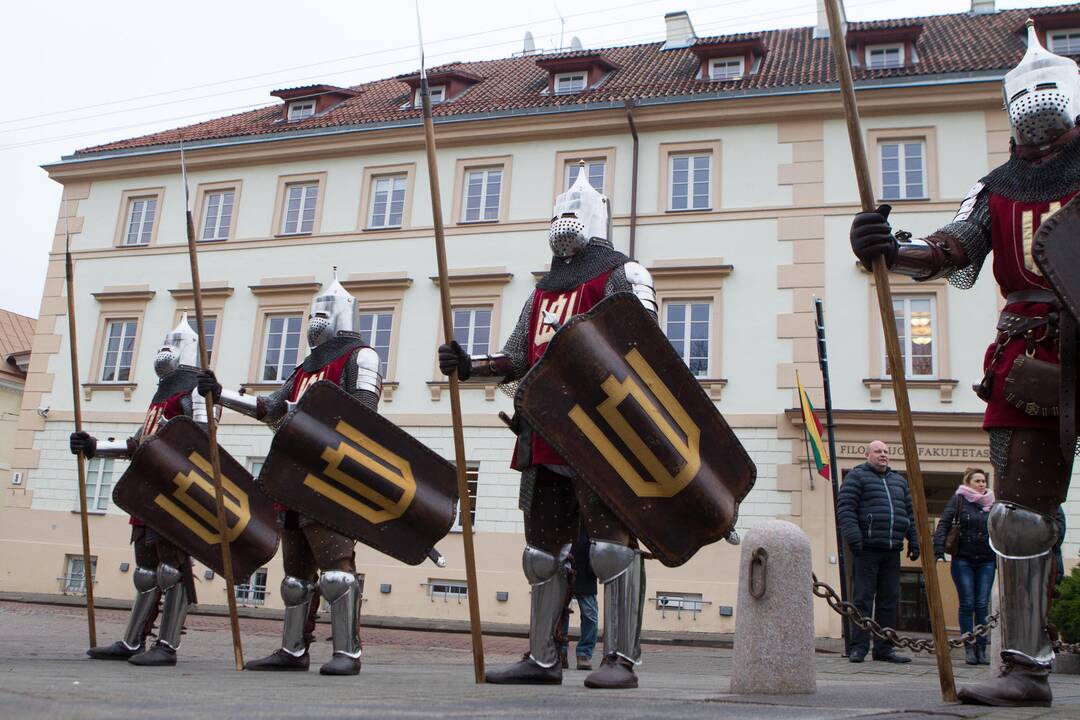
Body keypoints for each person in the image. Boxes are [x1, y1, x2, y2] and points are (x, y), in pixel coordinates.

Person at [848, 22, 1075, 706]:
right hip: (1028, 351)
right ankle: (1026, 666)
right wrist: (890, 246)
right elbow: (951, 246)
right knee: (1018, 519)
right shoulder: (996, 187)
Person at [438, 164, 657, 689]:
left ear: (595, 219)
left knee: (610, 548)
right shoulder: (542, 293)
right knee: (541, 554)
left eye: (573, 212)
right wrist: (472, 366)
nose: (565, 219)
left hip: (602, 432)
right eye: (558, 211)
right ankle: (542, 658)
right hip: (543, 430)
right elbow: (518, 356)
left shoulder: (623, 275)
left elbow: (645, 353)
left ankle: (620, 660)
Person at [198, 272, 382, 676]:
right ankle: (293, 649)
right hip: (292, 476)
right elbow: (272, 409)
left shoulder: (361, 357)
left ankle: (347, 653)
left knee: (337, 572)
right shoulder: (304, 369)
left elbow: (363, 418)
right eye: (314, 313)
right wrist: (221, 392)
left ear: (342, 317)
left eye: (324, 313)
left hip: (330, 479)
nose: (317, 320)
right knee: (295, 577)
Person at [69, 316, 206, 667]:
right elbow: (139, 443)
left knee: (172, 570)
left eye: (173, 345)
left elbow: (201, 443)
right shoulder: (160, 396)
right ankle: (133, 641)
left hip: (174, 492)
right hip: (146, 491)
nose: (165, 352)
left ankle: (167, 644)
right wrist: (94, 445)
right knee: (146, 572)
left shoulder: (193, 391)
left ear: (185, 352)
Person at [836, 440, 919, 665]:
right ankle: (859, 647)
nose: (883, 455)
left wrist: (914, 541)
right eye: (878, 451)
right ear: (867, 454)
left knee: (889, 601)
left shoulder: (898, 482)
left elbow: (909, 514)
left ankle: (884, 648)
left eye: (886, 451)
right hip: (867, 548)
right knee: (863, 599)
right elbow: (845, 508)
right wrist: (854, 537)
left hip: (892, 548)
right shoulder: (856, 477)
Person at [933, 467, 995, 666]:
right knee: (968, 604)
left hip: (986, 559)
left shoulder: (993, 503)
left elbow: (1001, 529)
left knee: (982, 604)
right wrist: (938, 548)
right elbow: (943, 523)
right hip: (963, 559)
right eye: (977, 480)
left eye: (983, 480)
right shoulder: (958, 500)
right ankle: (969, 648)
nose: (982, 484)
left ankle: (982, 650)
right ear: (967, 483)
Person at [559, 522, 598, 671]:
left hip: (586, 571)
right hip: (563, 569)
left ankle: (583, 654)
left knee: (590, 615)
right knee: (560, 615)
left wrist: (593, 568)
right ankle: (560, 652)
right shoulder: (565, 513)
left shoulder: (589, 516)